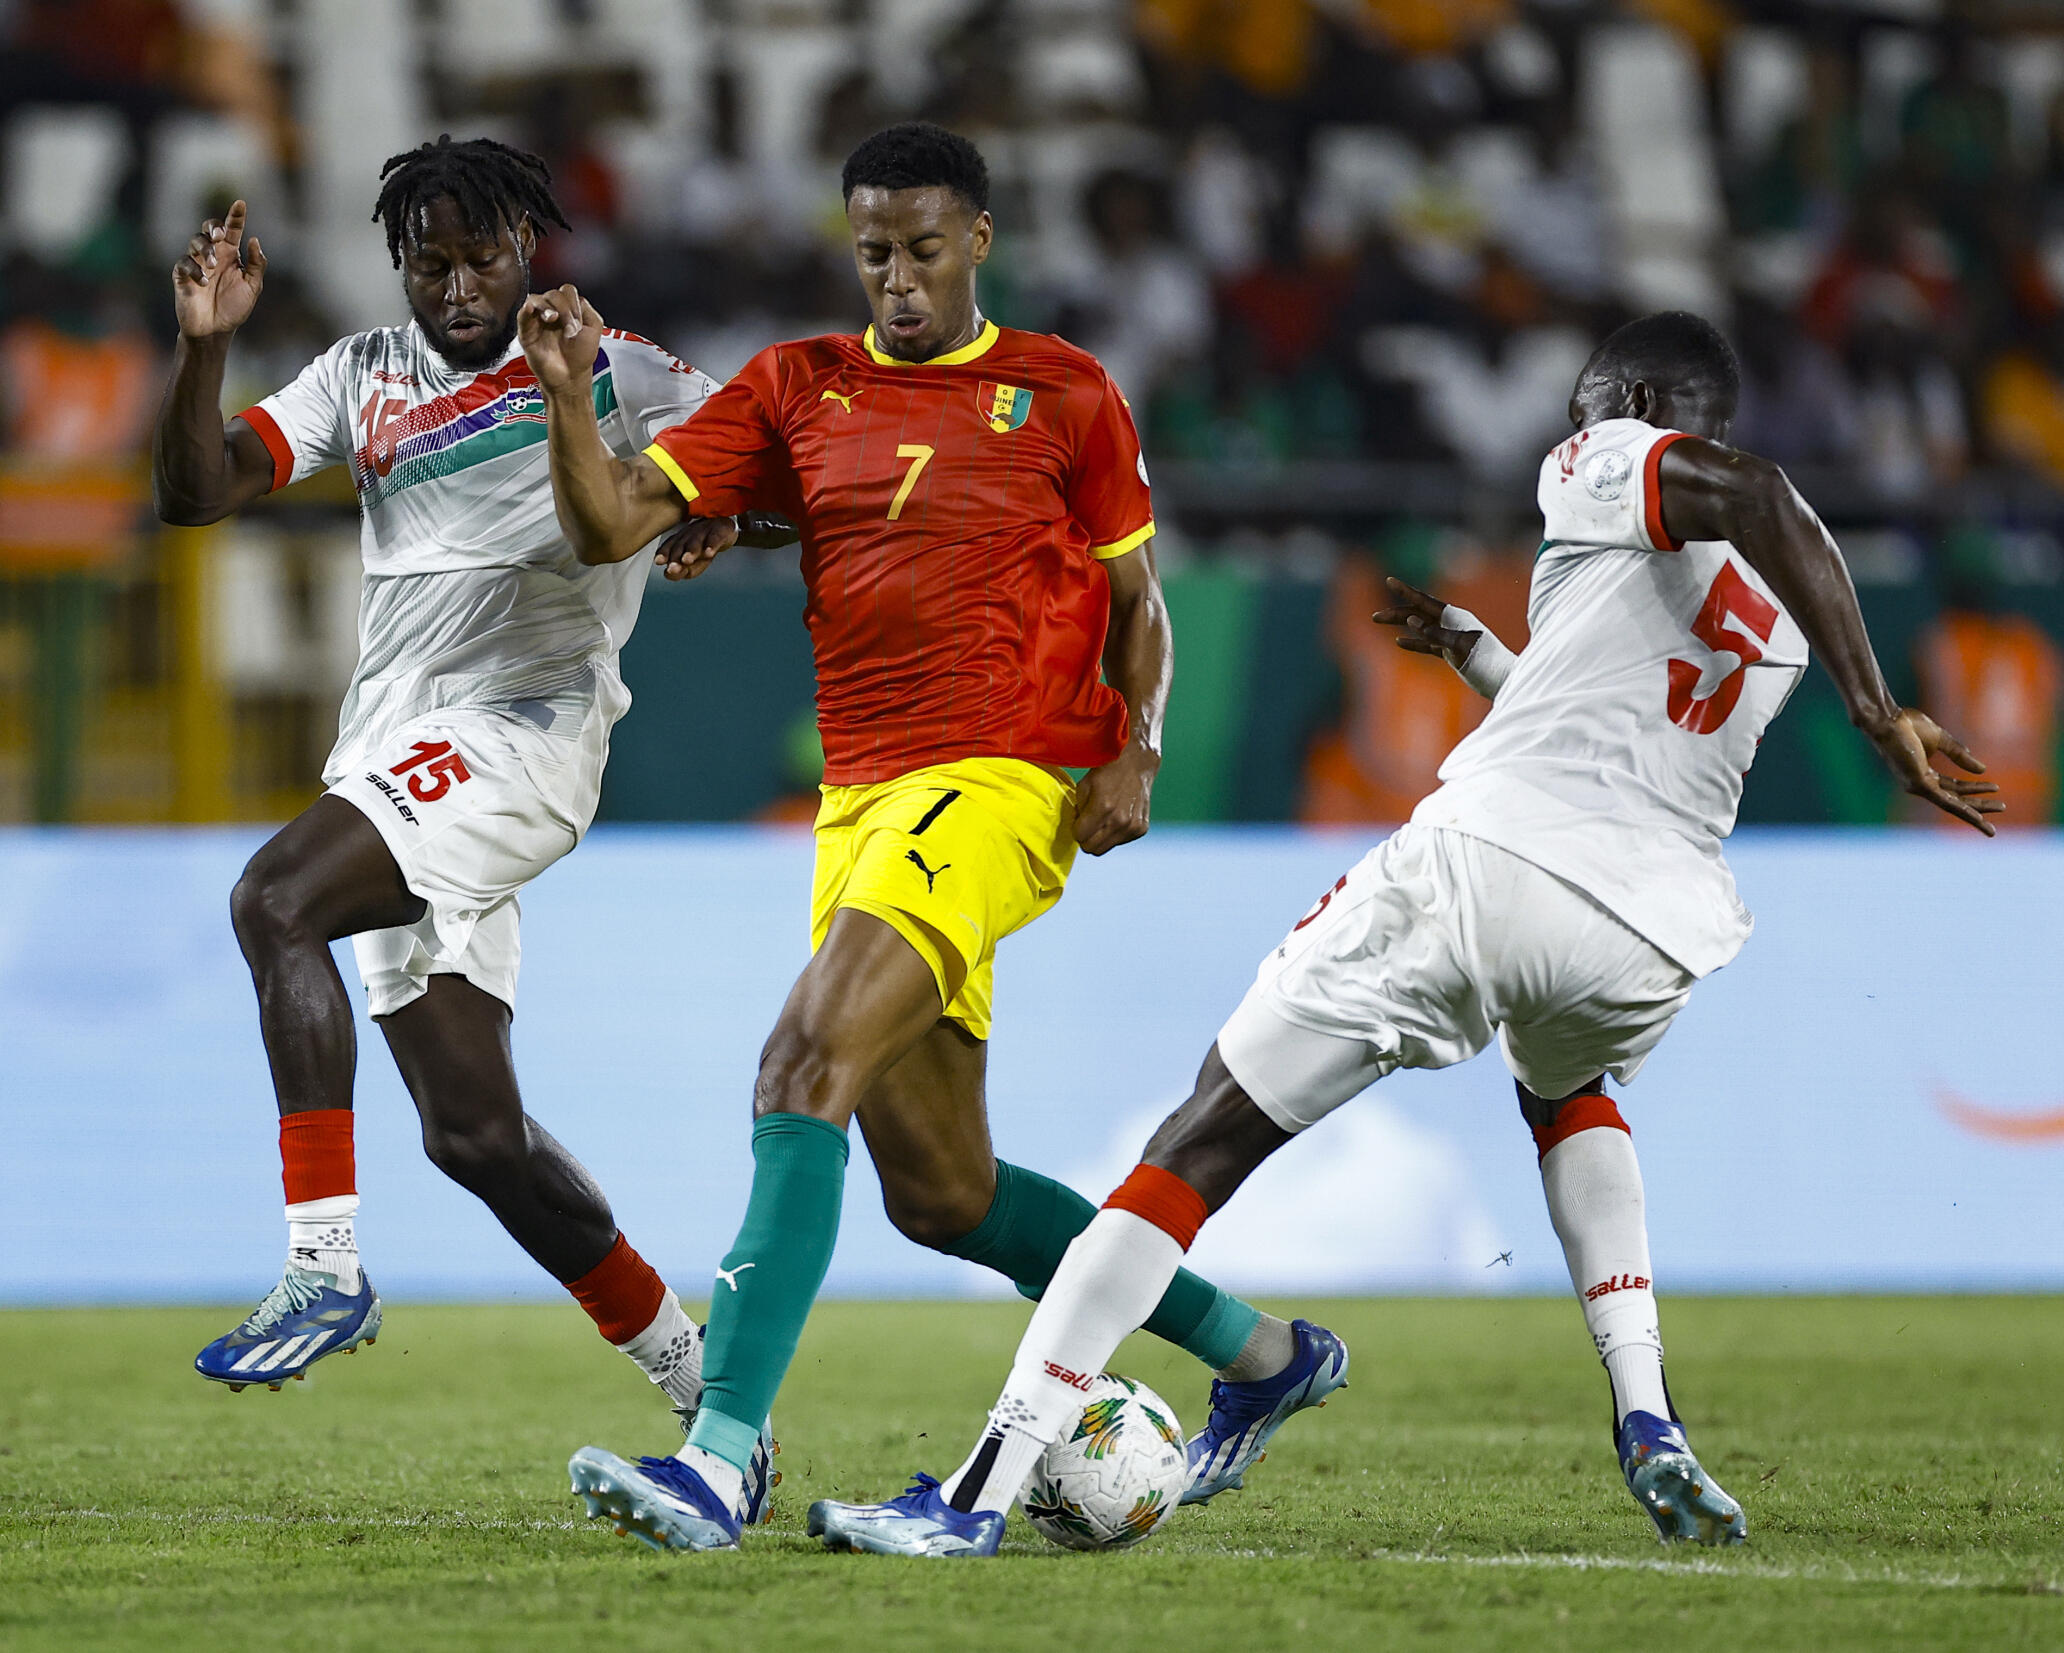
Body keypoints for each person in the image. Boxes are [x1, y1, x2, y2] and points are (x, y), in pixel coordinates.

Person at [806, 310, 2000, 1556]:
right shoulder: (1788, 603)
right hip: (1648, 939)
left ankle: (976, 1496)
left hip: (1487, 870)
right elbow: (1611, 710)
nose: (1573, 427)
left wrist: (1880, 714)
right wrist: (1479, 653)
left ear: (1640, 397)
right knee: (1568, 1088)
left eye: (1589, 401)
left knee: (1197, 1139)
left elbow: (1746, 486)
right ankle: (1646, 1416)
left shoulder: (1609, 459)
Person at [518, 121, 1309, 1555]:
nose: (896, 276)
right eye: (873, 249)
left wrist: (1138, 746)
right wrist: (573, 396)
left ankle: (718, 1457)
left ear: (979, 242)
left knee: (800, 1059)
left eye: (923, 248)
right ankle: (1261, 1352)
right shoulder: (794, 386)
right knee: (944, 1194)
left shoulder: (1063, 393)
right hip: (863, 797)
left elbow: (1143, 608)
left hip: (1003, 777)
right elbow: (609, 522)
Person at [150, 140, 776, 1513]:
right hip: (395, 751)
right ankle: (708, 1386)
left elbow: (775, 473)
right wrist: (203, 348)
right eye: (429, 260)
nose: (456, 285)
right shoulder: (359, 376)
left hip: (526, 733)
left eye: (482, 257)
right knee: (477, 1137)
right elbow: (196, 493)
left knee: (274, 901)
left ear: (527, 254)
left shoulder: (615, 366)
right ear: (401, 263)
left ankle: (324, 1264)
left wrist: (715, 507)